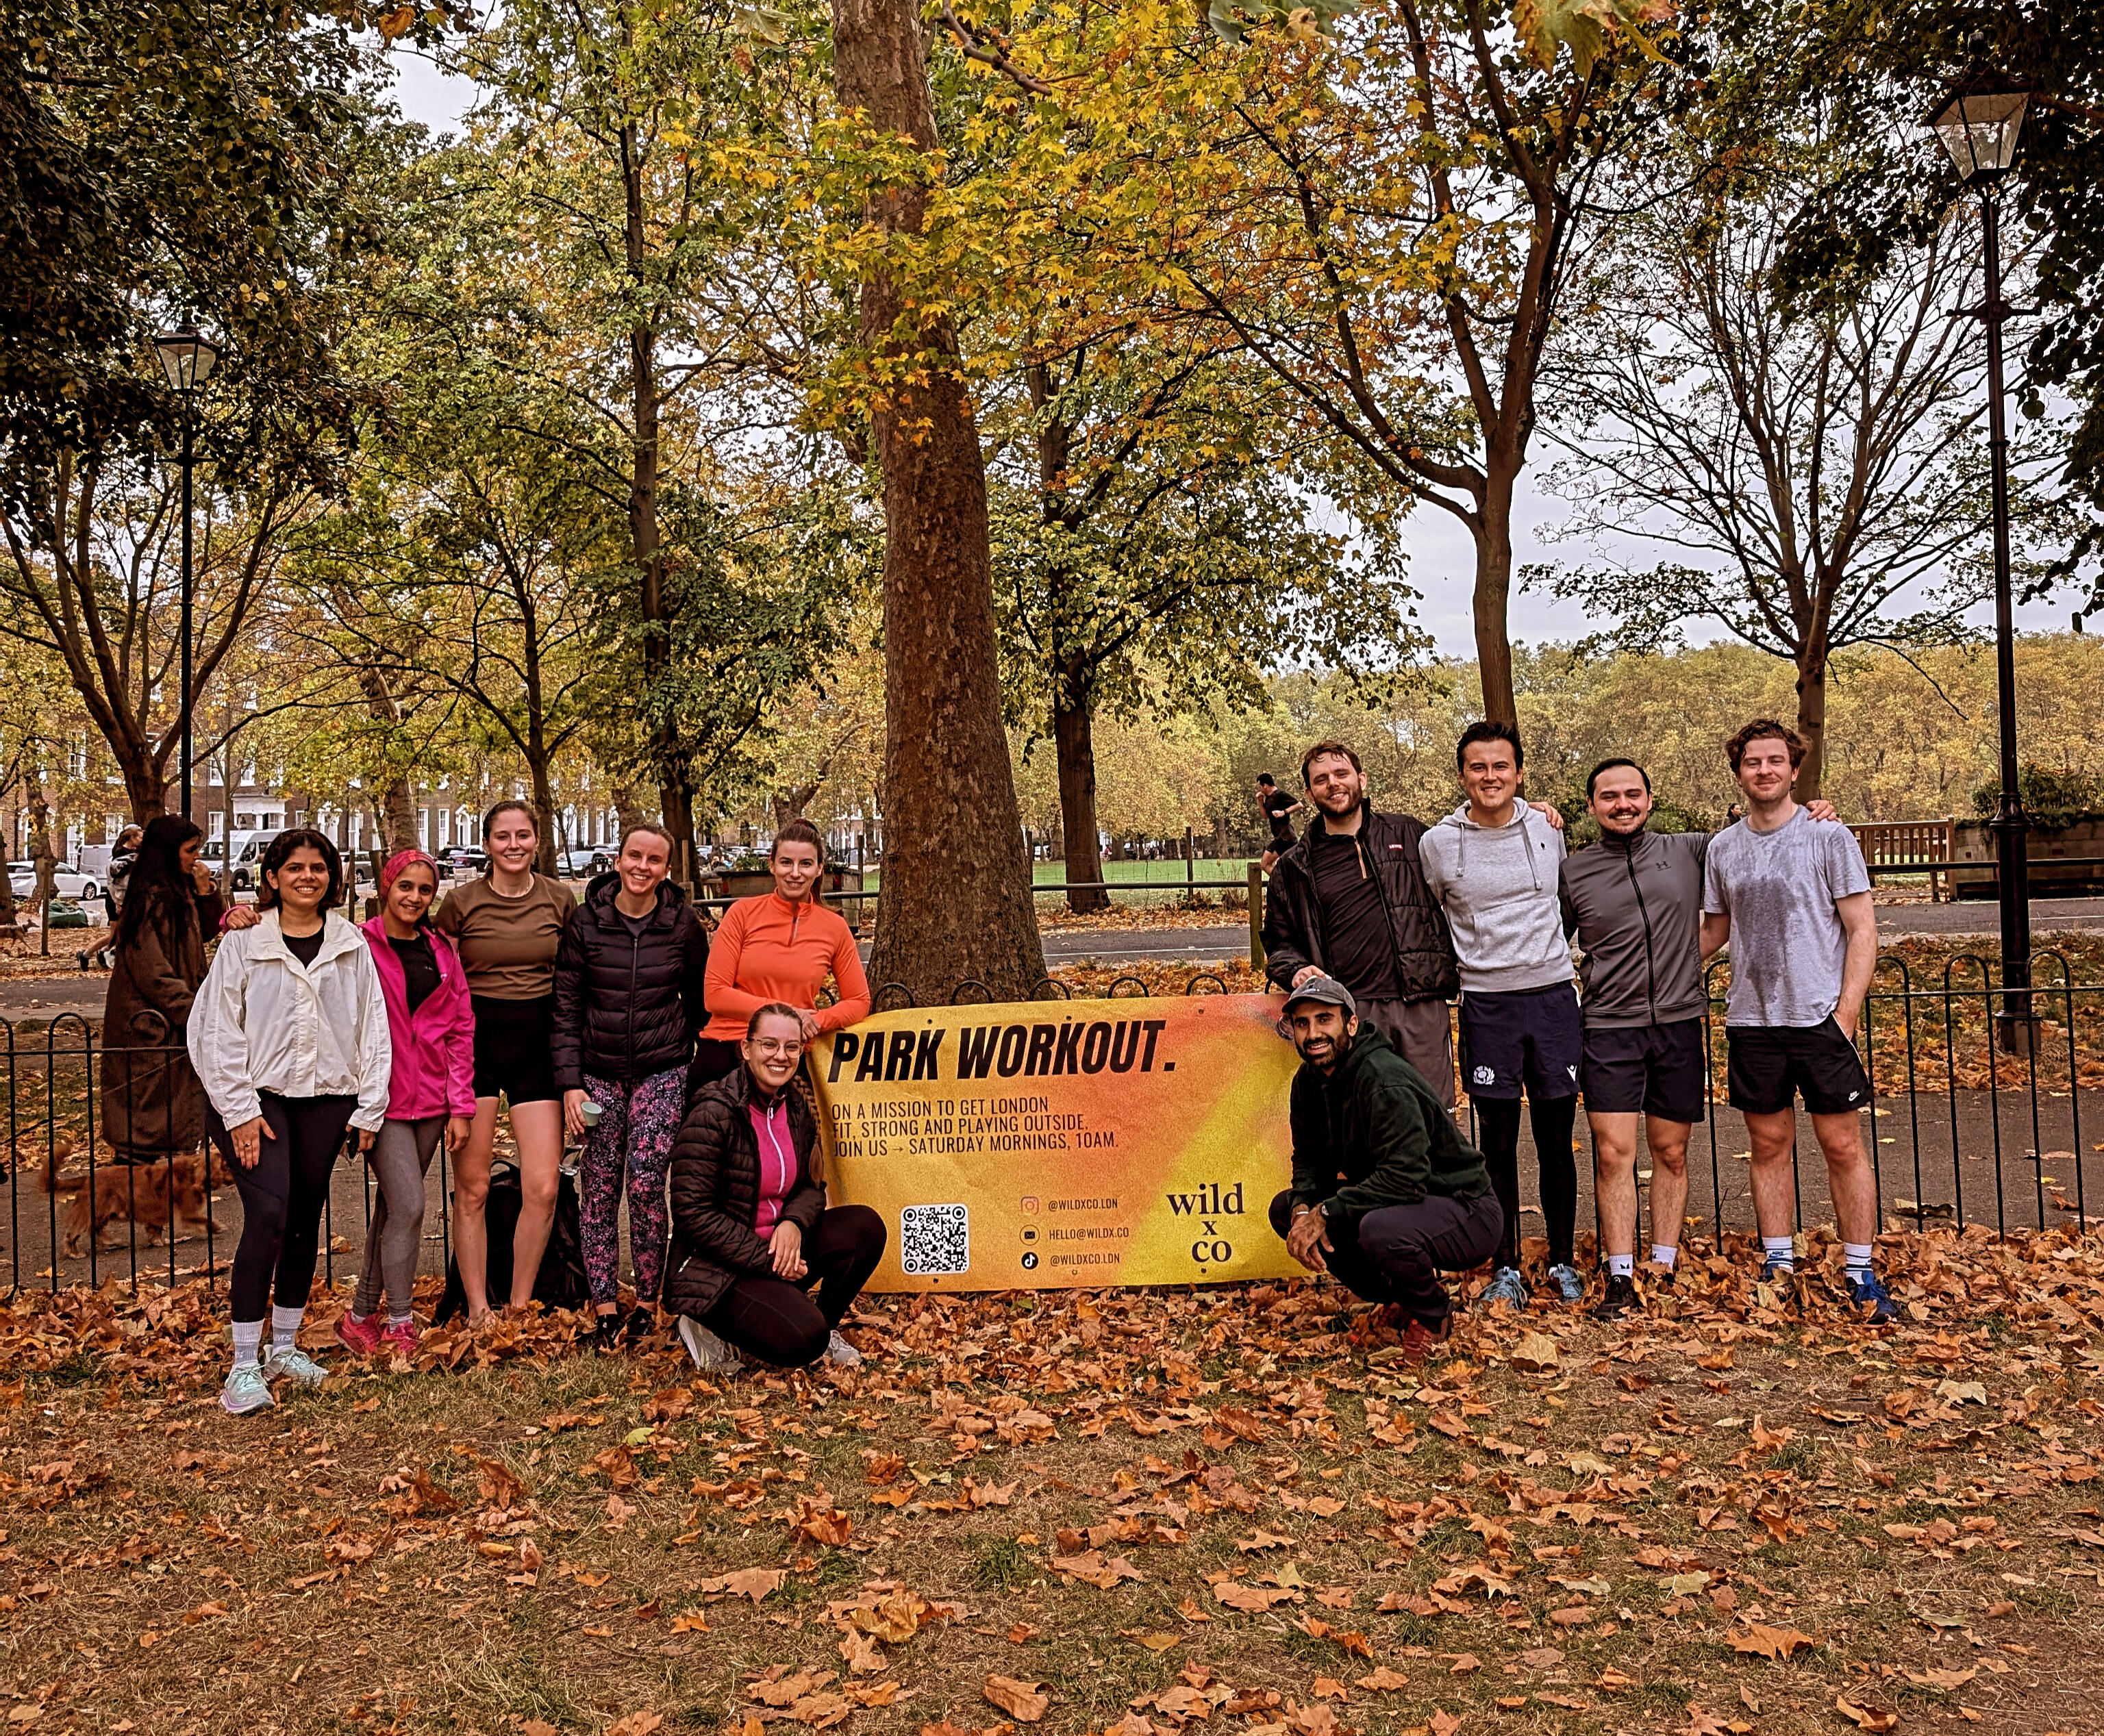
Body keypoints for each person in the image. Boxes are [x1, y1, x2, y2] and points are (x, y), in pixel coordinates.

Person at [1561, 761, 1842, 1318]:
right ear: (1592, 805)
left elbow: (1759, 832)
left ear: (1650, 798)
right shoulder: (1573, 870)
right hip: (1609, 1026)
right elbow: (1547, 940)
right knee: (1613, 1153)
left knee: (1670, 1150)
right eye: (1609, 796)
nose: (1623, 804)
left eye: (1633, 793)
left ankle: (1662, 1265)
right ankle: (1620, 1275)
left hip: (1678, 1022)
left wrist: (1812, 811)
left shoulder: (1692, 849)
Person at [189, 830, 391, 1415]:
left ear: (333, 877)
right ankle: (243, 1365)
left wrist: (369, 1105)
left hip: (327, 1097)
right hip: (257, 1096)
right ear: (272, 877)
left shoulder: (350, 943)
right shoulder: (245, 941)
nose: (308, 876)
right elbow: (216, 1028)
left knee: (304, 1217)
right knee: (269, 1213)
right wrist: (239, 1111)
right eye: (295, 867)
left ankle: (284, 1347)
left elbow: (372, 1026)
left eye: (319, 867)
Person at [1700, 719, 1892, 1323]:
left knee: (1842, 1144)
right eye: (1753, 762)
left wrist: (1845, 1015)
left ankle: (1860, 1270)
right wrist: (1651, 965)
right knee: (1767, 1143)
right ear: (1739, 772)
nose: (1765, 770)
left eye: (1775, 760)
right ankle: (1778, 1264)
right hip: (1752, 1020)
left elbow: (1863, 929)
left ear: (1794, 769)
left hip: (1819, 1020)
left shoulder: (1828, 836)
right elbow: (1714, 929)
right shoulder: (1723, 848)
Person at [1417, 721, 1583, 1308]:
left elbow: (1563, 904)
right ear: (1463, 775)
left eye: (1501, 766)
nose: (1491, 776)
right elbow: (1429, 913)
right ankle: (1505, 1264)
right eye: (1478, 767)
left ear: (1519, 772)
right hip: (1488, 1006)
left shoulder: (1547, 827)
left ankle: (1562, 1259)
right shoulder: (1439, 843)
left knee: (1557, 1139)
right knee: (1497, 1142)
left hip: (1553, 999)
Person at [1266, 977, 1501, 1368]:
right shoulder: (1307, 1082)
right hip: (1402, 1201)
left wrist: (1327, 1212)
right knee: (1284, 1209)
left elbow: (1406, 1178)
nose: (1313, 1034)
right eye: (1302, 1023)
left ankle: (1433, 1313)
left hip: (1466, 1207)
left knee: (1378, 1230)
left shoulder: (1382, 1079)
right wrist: (1304, 1208)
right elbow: (1308, 1158)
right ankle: (1403, 1298)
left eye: (1324, 1019)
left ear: (1351, 1024)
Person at [553, 822, 712, 1352]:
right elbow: (566, 1008)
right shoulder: (586, 922)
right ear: (618, 860)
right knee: (599, 1188)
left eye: (654, 860)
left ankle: (647, 1302)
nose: (643, 867)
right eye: (634, 856)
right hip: (597, 1074)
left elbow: (700, 1001)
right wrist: (570, 1083)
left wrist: (691, 1056)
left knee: (645, 1183)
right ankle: (604, 1307)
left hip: (662, 1069)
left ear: (667, 869)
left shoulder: (683, 925)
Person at [663, 1003, 887, 1372]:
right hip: (716, 1268)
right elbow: (693, 1214)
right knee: (804, 1340)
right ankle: (700, 1322)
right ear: (746, 1048)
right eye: (769, 1045)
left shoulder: (797, 1106)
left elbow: (812, 1187)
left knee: (865, 1227)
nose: (780, 1056)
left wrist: (793, 1223)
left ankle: (824, 1326)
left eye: (791, 1047)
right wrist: (769, 1261)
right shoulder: (713, 1111)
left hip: (775, 1250)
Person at [433, 800, 577, 1321]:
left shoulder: (560, 899)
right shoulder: (460, 903)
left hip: (537, 1044)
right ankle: (478, 1308)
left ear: (537, 840)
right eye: (502, 836)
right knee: (472, 1188)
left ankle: (518, 1305)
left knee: (543, 1186)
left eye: (522, 835)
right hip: (476, 1046)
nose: (513, 845)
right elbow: (435, 973)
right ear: (487, 844)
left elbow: (576, 975)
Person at [1259, 741, 1463, 1107]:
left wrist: (1524, 811)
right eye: (1321, 779)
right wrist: (1295, 970)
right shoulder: (1293, 867)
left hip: (1419, 1005)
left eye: (1342, 773)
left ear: (1361, 779)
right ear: (1309, 794)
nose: (1333, 784)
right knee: (1361, 1122)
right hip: (1349, 1014)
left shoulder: (1410, 834)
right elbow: (1278, 942)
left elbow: (1474, 840)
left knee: (1432, 1119)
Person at [336, 851, 476, 1357]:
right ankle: (399, 1321)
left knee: (394, 1208)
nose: (414, 897)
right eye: (405, 886)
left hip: (432, 1100)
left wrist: (460, 1105)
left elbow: (460, 1028)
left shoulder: (440, 951)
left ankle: (358, 1317)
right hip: (381, 1100)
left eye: (424, 889)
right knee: (412, 1206)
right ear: (386, 886)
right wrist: (233, 916)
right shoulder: (357, 943)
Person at [690, 818, 870, 1098]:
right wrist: (789, 1014)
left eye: (806, 864)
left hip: (788, 1057)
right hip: (728, 1049)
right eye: (786, 863)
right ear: (772, 865)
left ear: (819, 868)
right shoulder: (741, 914)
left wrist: (817, 1021)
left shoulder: (834, 927)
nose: (795, 873)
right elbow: (714, 995)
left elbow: (859, 1001)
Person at [100, 817, 224, 1166]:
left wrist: (206, 892)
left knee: (169, 1126)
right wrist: (195, 1013)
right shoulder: (149, 899)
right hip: (150, 1025)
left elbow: (204, 932)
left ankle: (159, 1187)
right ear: (169, 852)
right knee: (145, 1126)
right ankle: (136, 1185)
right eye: (191, 850)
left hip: (172, 1022)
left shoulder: (177, 890)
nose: (197, 858)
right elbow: (153, 973)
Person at [89, 824, 143, 970]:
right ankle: (97, 954)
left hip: (121, 899)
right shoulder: (121, 855)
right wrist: (118, 903)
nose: (142, 840)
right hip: (116, 899)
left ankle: (102, 954)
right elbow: (117, 883)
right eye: (140, 837)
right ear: (132, 838)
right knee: (117, 934)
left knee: (119, 934)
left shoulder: (130, 853)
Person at [1255, 774, 1302, 875]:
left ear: (1265, 786)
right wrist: (1260, 802)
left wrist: (1284, 812)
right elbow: (1265, 815)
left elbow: (1299, 805)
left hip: (1285, 837)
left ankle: (1281, 882)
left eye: (1260, 787)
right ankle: (1285, 882)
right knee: (1283, 866)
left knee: (1264, 864)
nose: (1259, 790)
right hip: (1280, 837)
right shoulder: (1268, 798)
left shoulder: (1280, 794)